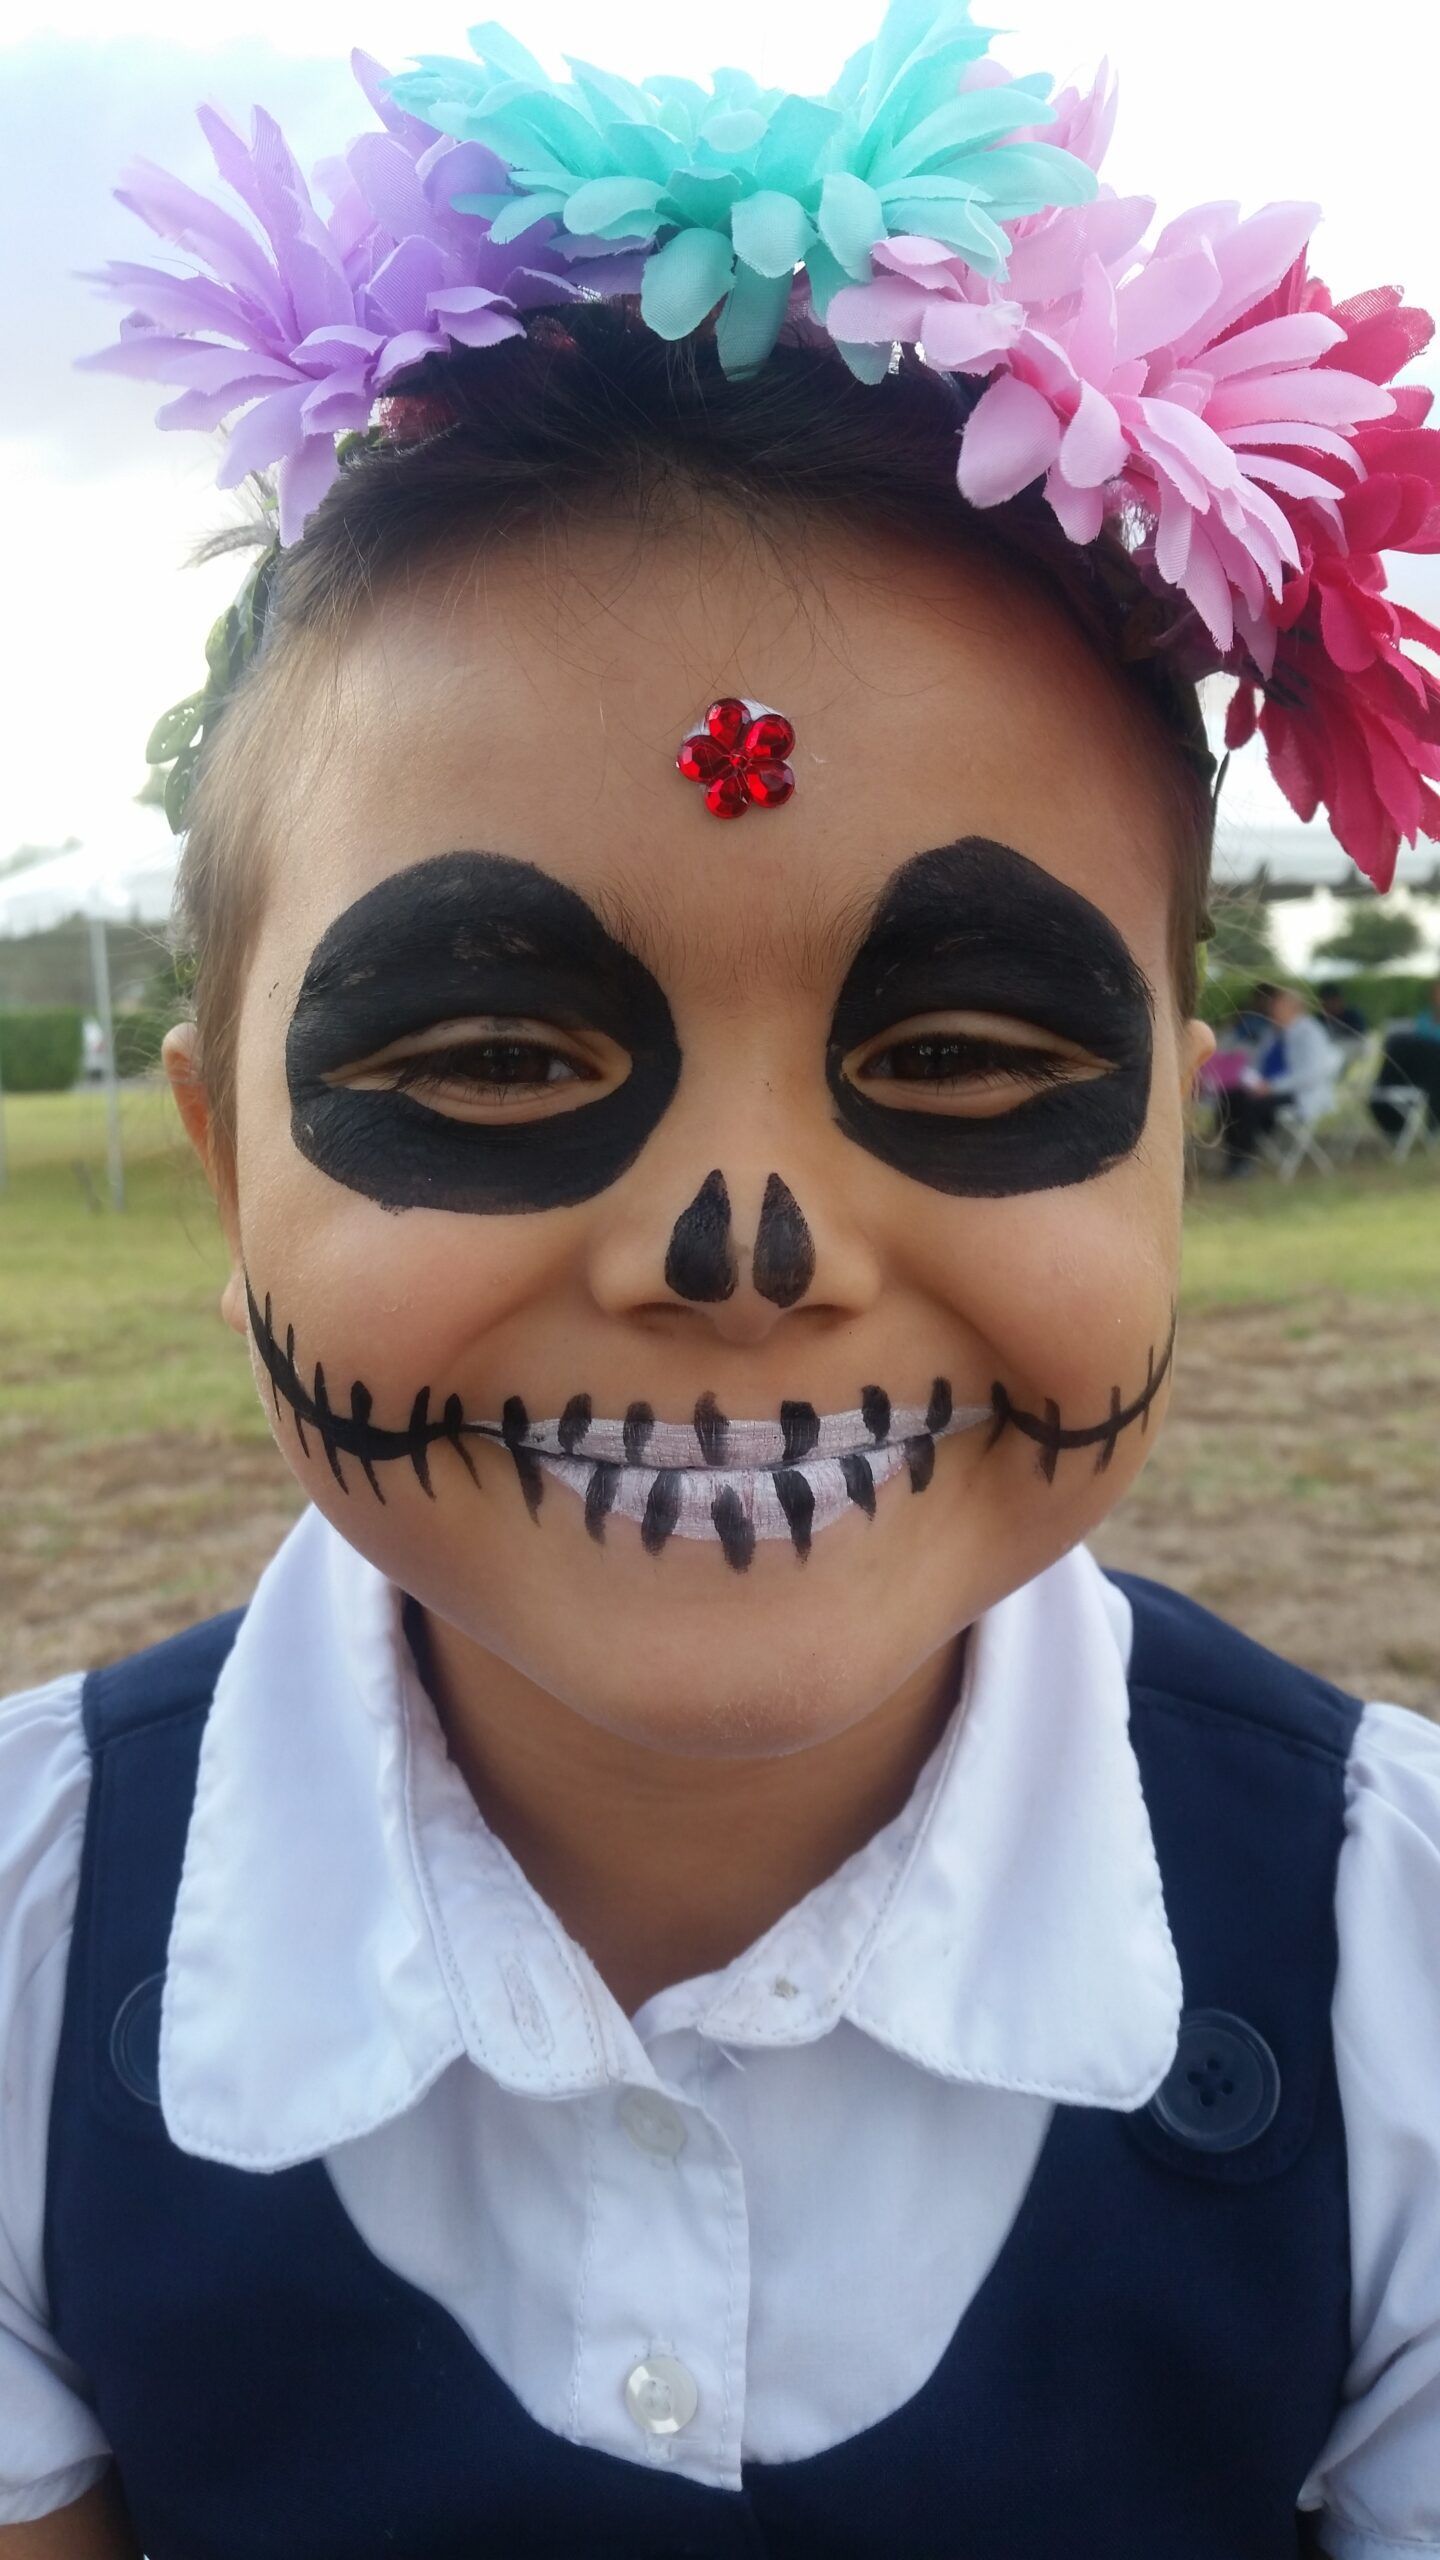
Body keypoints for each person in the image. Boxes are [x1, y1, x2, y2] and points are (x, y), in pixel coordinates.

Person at [4, 9, 1440, 2553]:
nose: (737, 1246)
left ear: (1172, 1124)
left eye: (974, 1046)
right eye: (481, 1054)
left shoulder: (1392, 1979)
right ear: (227, 1152)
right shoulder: (20, 1954)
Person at [1214, 984, 1342, 1173]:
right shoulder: (1273, 1033)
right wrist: (1250, 1080)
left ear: (1294, 1008)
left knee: (1248, 1104)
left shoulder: (1310, 1033)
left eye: (1277, 1006)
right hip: (1266, 1088)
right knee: (1229, 1096)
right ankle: (1233, 1155)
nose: (1271, 1011)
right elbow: (1257, 1063)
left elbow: (1309, 1074)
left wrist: (1271, 1086)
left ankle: (1243, 1159)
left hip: (1297, 1093)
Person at [1317, 980, 1369, 1045]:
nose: (1329, 1005)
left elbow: (1361, 1035)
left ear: (1339, 1000)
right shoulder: (1318, 1020)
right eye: (1325, 1003)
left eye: (1332, 1002)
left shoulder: (1352, 1016)